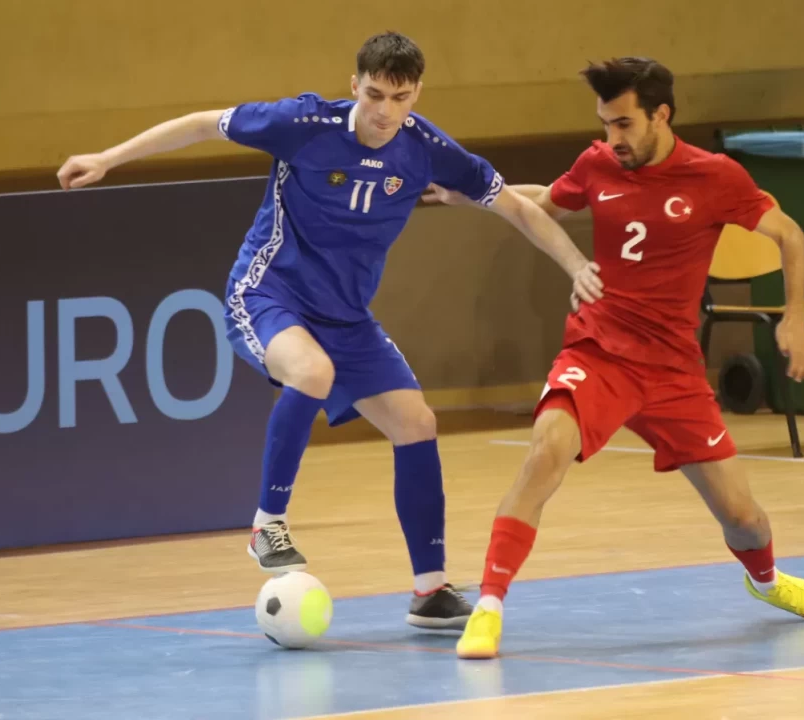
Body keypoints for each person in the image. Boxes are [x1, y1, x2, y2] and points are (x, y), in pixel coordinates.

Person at [55, 31, 604, 629]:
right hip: (268, 293)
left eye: (400, 98)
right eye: (374, 95)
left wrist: (577, 265)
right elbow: (202, 124)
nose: (385, 112)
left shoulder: (426, 149)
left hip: (346, 317)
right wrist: (108, 158)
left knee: (416, 423)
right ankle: (268, 525)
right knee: (313, 372)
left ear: (417, 94)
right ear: (355, 86)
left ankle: (429, 590)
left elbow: (518, 207)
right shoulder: (302, 123)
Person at [425, 57, 804, 661]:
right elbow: (547, 201)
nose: (611, 138)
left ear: (661, 115)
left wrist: (795, 318)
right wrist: (474, 197)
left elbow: (791, 235)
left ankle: (769, 582)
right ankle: (489, 606)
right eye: (605, 124)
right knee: (545, 453)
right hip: (599, 351)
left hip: (674, 371)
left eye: (623, 124)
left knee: (743, 517)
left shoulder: (715, 175)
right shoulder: (598, 163)